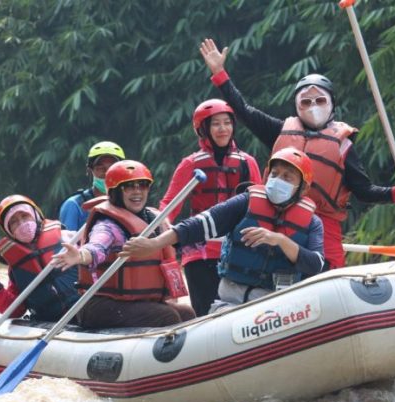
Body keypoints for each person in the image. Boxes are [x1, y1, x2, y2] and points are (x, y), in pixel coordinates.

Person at [199, 38, 395, 269]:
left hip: (324, 223)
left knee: (328, 271)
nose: (313, 106)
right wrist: (220, 74)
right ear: (296, 106)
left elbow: (364, 191)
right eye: (306, 101)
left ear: (332, 103)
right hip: (280, 218)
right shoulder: (280, 130)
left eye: (320, 100)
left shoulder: (343, 145)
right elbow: (243, 111)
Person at [120, 148, 324, 309]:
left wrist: (280, 240)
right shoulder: (246, 202)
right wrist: (154, 243)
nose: (278, 180)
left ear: (303, 188)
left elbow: (315, 264)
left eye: (288, 177)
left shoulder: (312, 223)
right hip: (232, 301)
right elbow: (198, 225)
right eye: (275, 174)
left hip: (278, 305)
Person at [50, 160, 196, 328]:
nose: (137, 192)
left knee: (187, 313)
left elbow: (178, 240)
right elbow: (97, 247)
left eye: (142, 185)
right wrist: (81, 255)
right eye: (129, 187)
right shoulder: (108, 224)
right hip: (99, 305)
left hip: (135, 302)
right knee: (167, 316)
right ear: (116, 192)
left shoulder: (154, 219)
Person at [159, 99, 262, 315]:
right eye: (215, 124)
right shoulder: (191, 164)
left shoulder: (247, 162)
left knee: (239, 311)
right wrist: (164, 231)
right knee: (205, 312)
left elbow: (260, 205)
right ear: (203, 129)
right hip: (200, 252)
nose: (223, 129)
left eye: (227, 122)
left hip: (237, 249)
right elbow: (169, 205)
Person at [0, 195, 80, 321]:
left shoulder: (69, 238)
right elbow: (15, 310)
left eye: (25, 216)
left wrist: (82, 256)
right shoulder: (16, 267)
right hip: (47, 321)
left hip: (84, 311)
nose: (22, 223)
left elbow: (96, 260)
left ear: (36, 216)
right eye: (13, 222)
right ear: (9, 231)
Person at [58, 141, 126, 231]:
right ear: (90, 171)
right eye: (101, 168)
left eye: (113, 168)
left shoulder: (129, 203)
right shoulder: (75, 205)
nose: (108, 173)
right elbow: (66, 241)